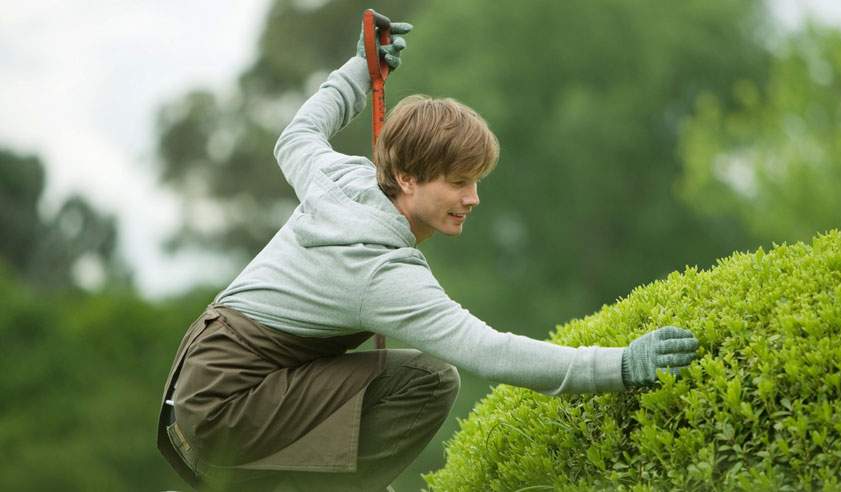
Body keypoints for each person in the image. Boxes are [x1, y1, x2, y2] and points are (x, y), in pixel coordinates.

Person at [157, 10, 700, 492]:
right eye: (459, 183)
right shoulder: (379, 272)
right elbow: (490, 351)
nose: (473, 198)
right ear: (407, 178)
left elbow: (297, 136)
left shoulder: (341, 178)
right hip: (224, 413)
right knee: (429, 380)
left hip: (196, 391)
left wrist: (358, 70)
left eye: (477, 181)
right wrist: (620, 365)